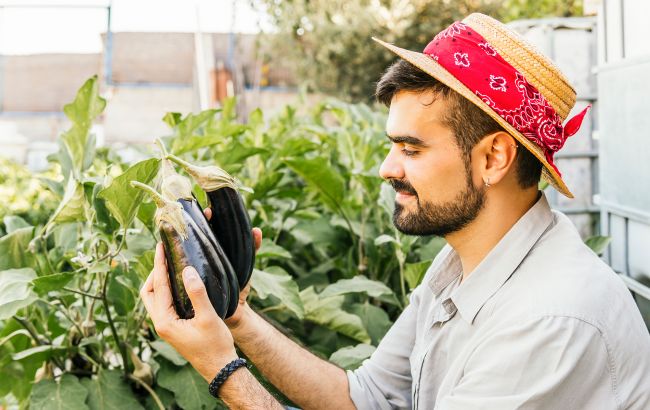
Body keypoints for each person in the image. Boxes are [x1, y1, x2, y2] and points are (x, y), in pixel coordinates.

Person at [139, 13, 650, 410]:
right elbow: (366, 397)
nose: (387, 168)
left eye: (411, 149)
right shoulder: (463, 263)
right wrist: (236, 320)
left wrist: (222, 369)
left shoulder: (550, 321)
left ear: (493, 157)